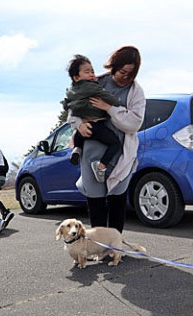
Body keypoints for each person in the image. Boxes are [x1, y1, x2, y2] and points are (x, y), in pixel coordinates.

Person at [67, 46, 146, 233]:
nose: (125, 77)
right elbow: (74, 106)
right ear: (113, 67)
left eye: (130, 73)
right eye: (122, 71)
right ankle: (99, 247)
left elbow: (134, 123)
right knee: (96, 203)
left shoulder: (136, 91)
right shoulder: (97, 82)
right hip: (92, 153)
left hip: (119, 154)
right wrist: (79, 124)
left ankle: (115, 247)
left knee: (117, 202)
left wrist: (109, 108)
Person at [61, 54, 121, 183]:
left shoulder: (71, 90)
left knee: (78, 135)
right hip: (96, 125)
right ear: (76, 77)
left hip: (82, 129)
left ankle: (77, 148)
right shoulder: (93, 87)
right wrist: (114, 102)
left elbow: (67, 107)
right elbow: (111, 99)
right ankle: (101, 166)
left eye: (92, 71)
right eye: (87, 72)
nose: (92, 74)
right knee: (115, 143)